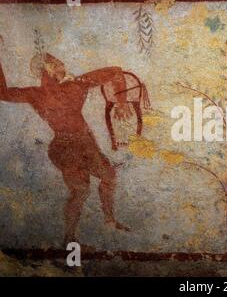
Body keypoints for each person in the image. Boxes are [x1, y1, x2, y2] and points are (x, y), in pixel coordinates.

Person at [0, 52, 131, 245]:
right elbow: (3, 93)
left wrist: (122, 102)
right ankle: (69, 239)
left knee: (108, 176)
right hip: (64, 147)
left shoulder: (75, 85)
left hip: (86, 143)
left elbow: (116, 72)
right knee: (80, 190)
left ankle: (110, 220)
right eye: (59, 64)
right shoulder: (38, 94)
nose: (64, 68)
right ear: (49, 68)